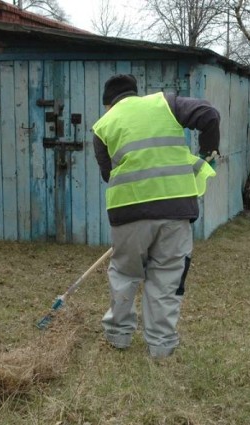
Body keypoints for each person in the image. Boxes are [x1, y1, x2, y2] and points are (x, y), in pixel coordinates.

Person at [92, 74, 220, 359]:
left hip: (128, 212)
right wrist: (208, 153)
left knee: (125, 274)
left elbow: (107, 174)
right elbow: (209, 115)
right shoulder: (165, 103)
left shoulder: (103, 126)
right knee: (166, 278)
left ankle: (118, 336)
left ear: (108, 104)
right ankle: (161, 347)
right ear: (135, 94)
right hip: (175, 209)